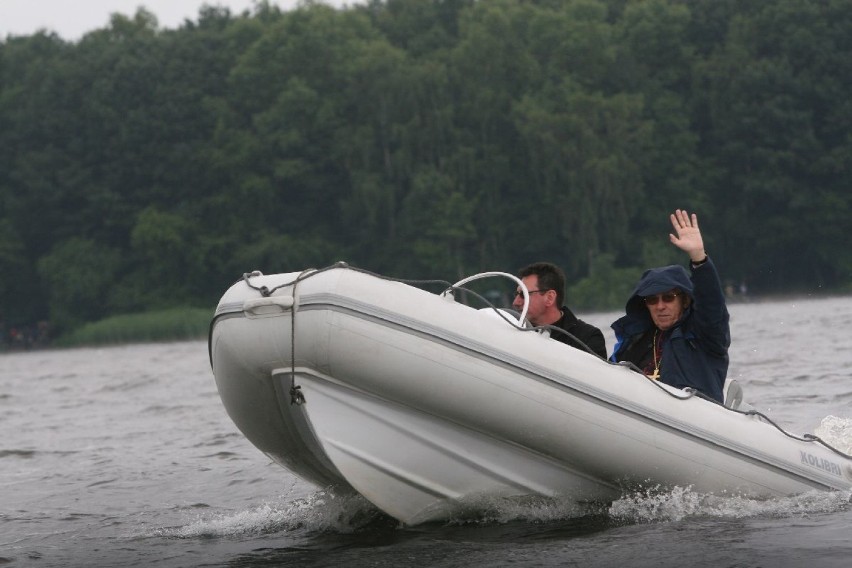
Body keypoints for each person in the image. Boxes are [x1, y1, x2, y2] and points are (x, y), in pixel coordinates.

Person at [609, 209, 730, 403]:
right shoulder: (635, 340)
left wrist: (699, 258)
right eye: (652, 300)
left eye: (668, 297)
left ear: (685, 300)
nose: (660, 306)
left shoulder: (704, 332)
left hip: (694, 420)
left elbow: (711, 304)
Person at [512, 262, 607, 359]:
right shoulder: (511, 331)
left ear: (549, 298)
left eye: (524, 294)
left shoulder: (588, 337)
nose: (516, 302)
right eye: (516, 294)